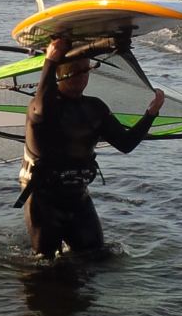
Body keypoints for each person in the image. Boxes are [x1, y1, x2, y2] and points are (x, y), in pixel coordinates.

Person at [17, 38, 165, 258]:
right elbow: (41, 108)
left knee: (96, 257)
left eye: (85, 70)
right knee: (44, 268)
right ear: (60, 73)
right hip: (43, 198)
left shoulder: (95, 107)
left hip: (78, 197)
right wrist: (50, 60)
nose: (81, 76)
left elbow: (125, 144)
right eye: (74, 70)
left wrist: (151, 114)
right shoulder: (41, 107)